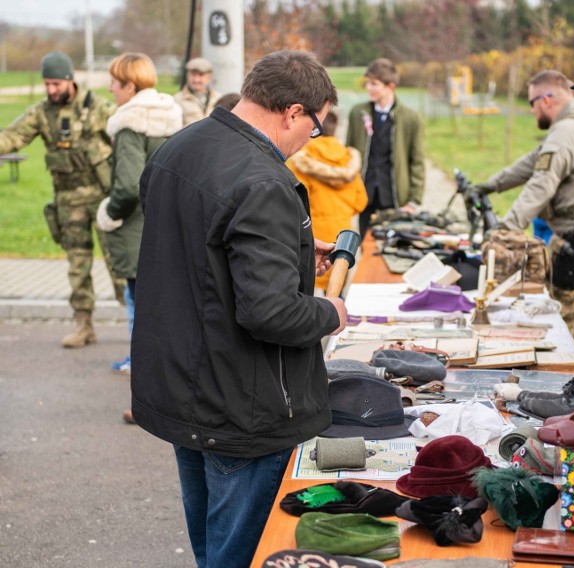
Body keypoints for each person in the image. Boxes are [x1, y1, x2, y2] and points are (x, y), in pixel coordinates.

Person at [130, 50, 346, 567]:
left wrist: (292, 251)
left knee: (212, 549)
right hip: (241, 409)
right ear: (293, 112)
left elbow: (201, 255)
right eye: (313, 128)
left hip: (187, 391)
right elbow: (270, 313)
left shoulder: (177, 149)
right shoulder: (264, 180)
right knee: (239, 555)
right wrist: (331, 312)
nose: (306, 143)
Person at [472, 70, 574, 358]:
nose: (532, 110)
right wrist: (488, 186)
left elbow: (541, 183)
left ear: (546, 99)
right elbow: (531, 164)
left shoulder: (566, 132)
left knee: (569, 333)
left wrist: (504, 229)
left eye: (531, 103)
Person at [0, 51, 124, 348]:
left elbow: (126, 143)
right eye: (47, 84)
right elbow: (12, 137)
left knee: (120, 265)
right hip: (69, 203)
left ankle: (139, 326)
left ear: (70, 80)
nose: (51, 90)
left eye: (56, 83)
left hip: (106, 200)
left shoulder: (98, 109)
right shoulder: (41, 113)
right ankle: (84, 326)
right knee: (77, 266)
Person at [95, 53, 182, 405]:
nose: (111, 90)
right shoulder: (171, 116)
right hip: (169, 223)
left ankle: (143, 368)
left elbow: (129, 186)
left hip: (137, 228)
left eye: (114, 84)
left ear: (130, 86)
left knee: (138, 303)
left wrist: (109, 212)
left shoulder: (130, 123)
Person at [288, 110, 368, 293]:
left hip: (313, 236)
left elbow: (293, 201)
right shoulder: (347, 160)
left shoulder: (302, 161)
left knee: (305, 293)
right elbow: (360, 202)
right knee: (336, 288)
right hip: (341, 236)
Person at [345, 58, 425, 236]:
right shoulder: (358, 113)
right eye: (367, 83)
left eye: (374, 84)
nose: (368, 88)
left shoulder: (411, 118)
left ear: (391, 86)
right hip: (364, 194)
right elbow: (348, 154)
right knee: (366, 246)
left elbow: (417, 161)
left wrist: (413, 201)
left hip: (395, 197)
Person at [174, 57, 221, 127]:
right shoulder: (177, 99)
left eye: (201, 75)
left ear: (209, 77)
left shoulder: (218, 98)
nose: (196, 80)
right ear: (187, 75)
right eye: (193, 75)